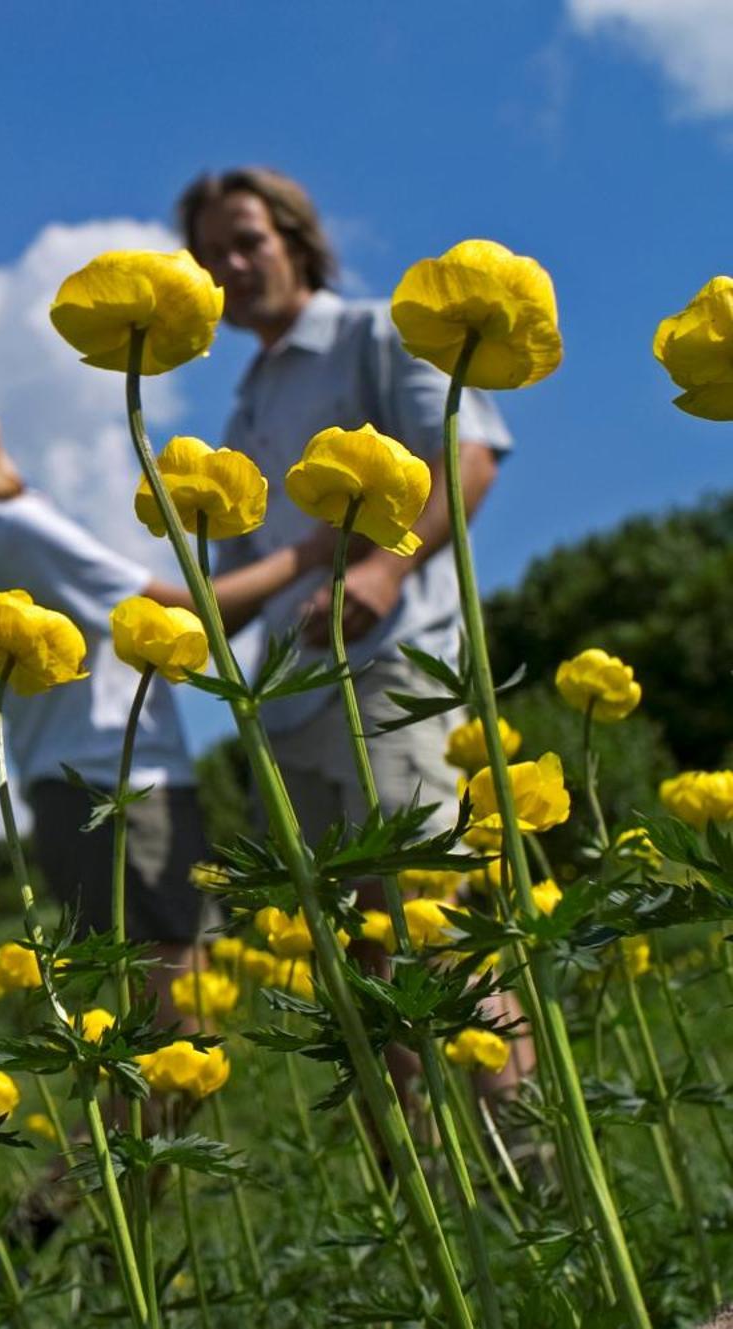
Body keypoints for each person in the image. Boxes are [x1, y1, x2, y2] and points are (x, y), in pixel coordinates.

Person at [179, 166, 533, 1092]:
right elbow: (258, 570)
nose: (233, 264)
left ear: (297, 240)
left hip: (391, 667)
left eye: (248, 240)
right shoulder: (246, 402)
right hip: (292, 700)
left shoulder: (379, 330)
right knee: (360, 964)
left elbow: (467, 455)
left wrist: (384, 563)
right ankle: (424, 1192)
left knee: (430, 926)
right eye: (212, 255)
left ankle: (527, 1172)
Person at [0, 401, 332, 1006]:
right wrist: (313, 552)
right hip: (114, 782)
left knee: (160, 1015)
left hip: (86, 783)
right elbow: (183, 616)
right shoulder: (11, 526)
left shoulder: (0, 528)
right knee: (174, 1018)